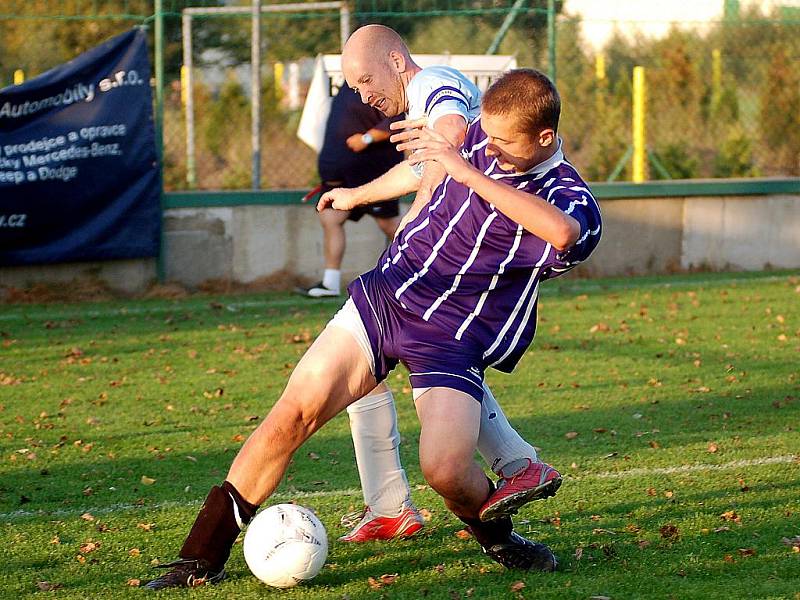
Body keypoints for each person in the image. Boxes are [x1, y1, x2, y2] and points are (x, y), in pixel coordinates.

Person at [142, 68, 602, 589]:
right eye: (486, 137)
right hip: (386, 296)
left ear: (545, 138)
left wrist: (466, 168)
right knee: (293, 413)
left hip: (451, 337)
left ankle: (497, 536)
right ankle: (199, 558)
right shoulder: (477, 135)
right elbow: (425, 167)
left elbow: (562, 233)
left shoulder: (570, 198)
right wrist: (358, 194)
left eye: (503, 142)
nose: (489, 147)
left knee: (446, 471)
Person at [327, 25, 561, 545]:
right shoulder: (418, 103)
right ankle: (511, 464)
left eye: (366, 79)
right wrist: (356, 196)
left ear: (396, 59)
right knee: (405, 368)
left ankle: (392, 505)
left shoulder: (432, 82)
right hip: (439, 263)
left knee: (388, 366)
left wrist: (425, 206)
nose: (364, 95)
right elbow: (425, 165)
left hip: (446, 267)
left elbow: (451, 130)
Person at [297, 86, 404, 298]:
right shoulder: (349, 88)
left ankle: (427, 272)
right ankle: (330, 283)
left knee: (390, 225)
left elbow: (396, 122)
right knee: (331, 220)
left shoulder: (380, 86)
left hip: (370, 172)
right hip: (340, 178)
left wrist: (366, 139)